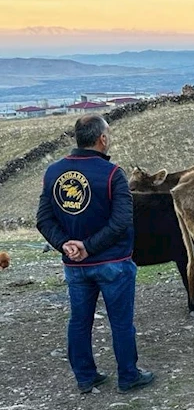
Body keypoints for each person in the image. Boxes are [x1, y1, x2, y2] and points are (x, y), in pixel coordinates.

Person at [36, 114, 154, 394]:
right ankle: (128, 376)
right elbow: (122, 221)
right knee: (121, 322)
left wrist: (66, 244)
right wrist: (88, 246)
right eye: (108, 134)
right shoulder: (113, 175)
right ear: (102, 139)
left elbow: (43, 219)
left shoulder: (53, 173)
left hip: (75, 266)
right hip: (113, 263)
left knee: (79, 321)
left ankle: (85, 377)